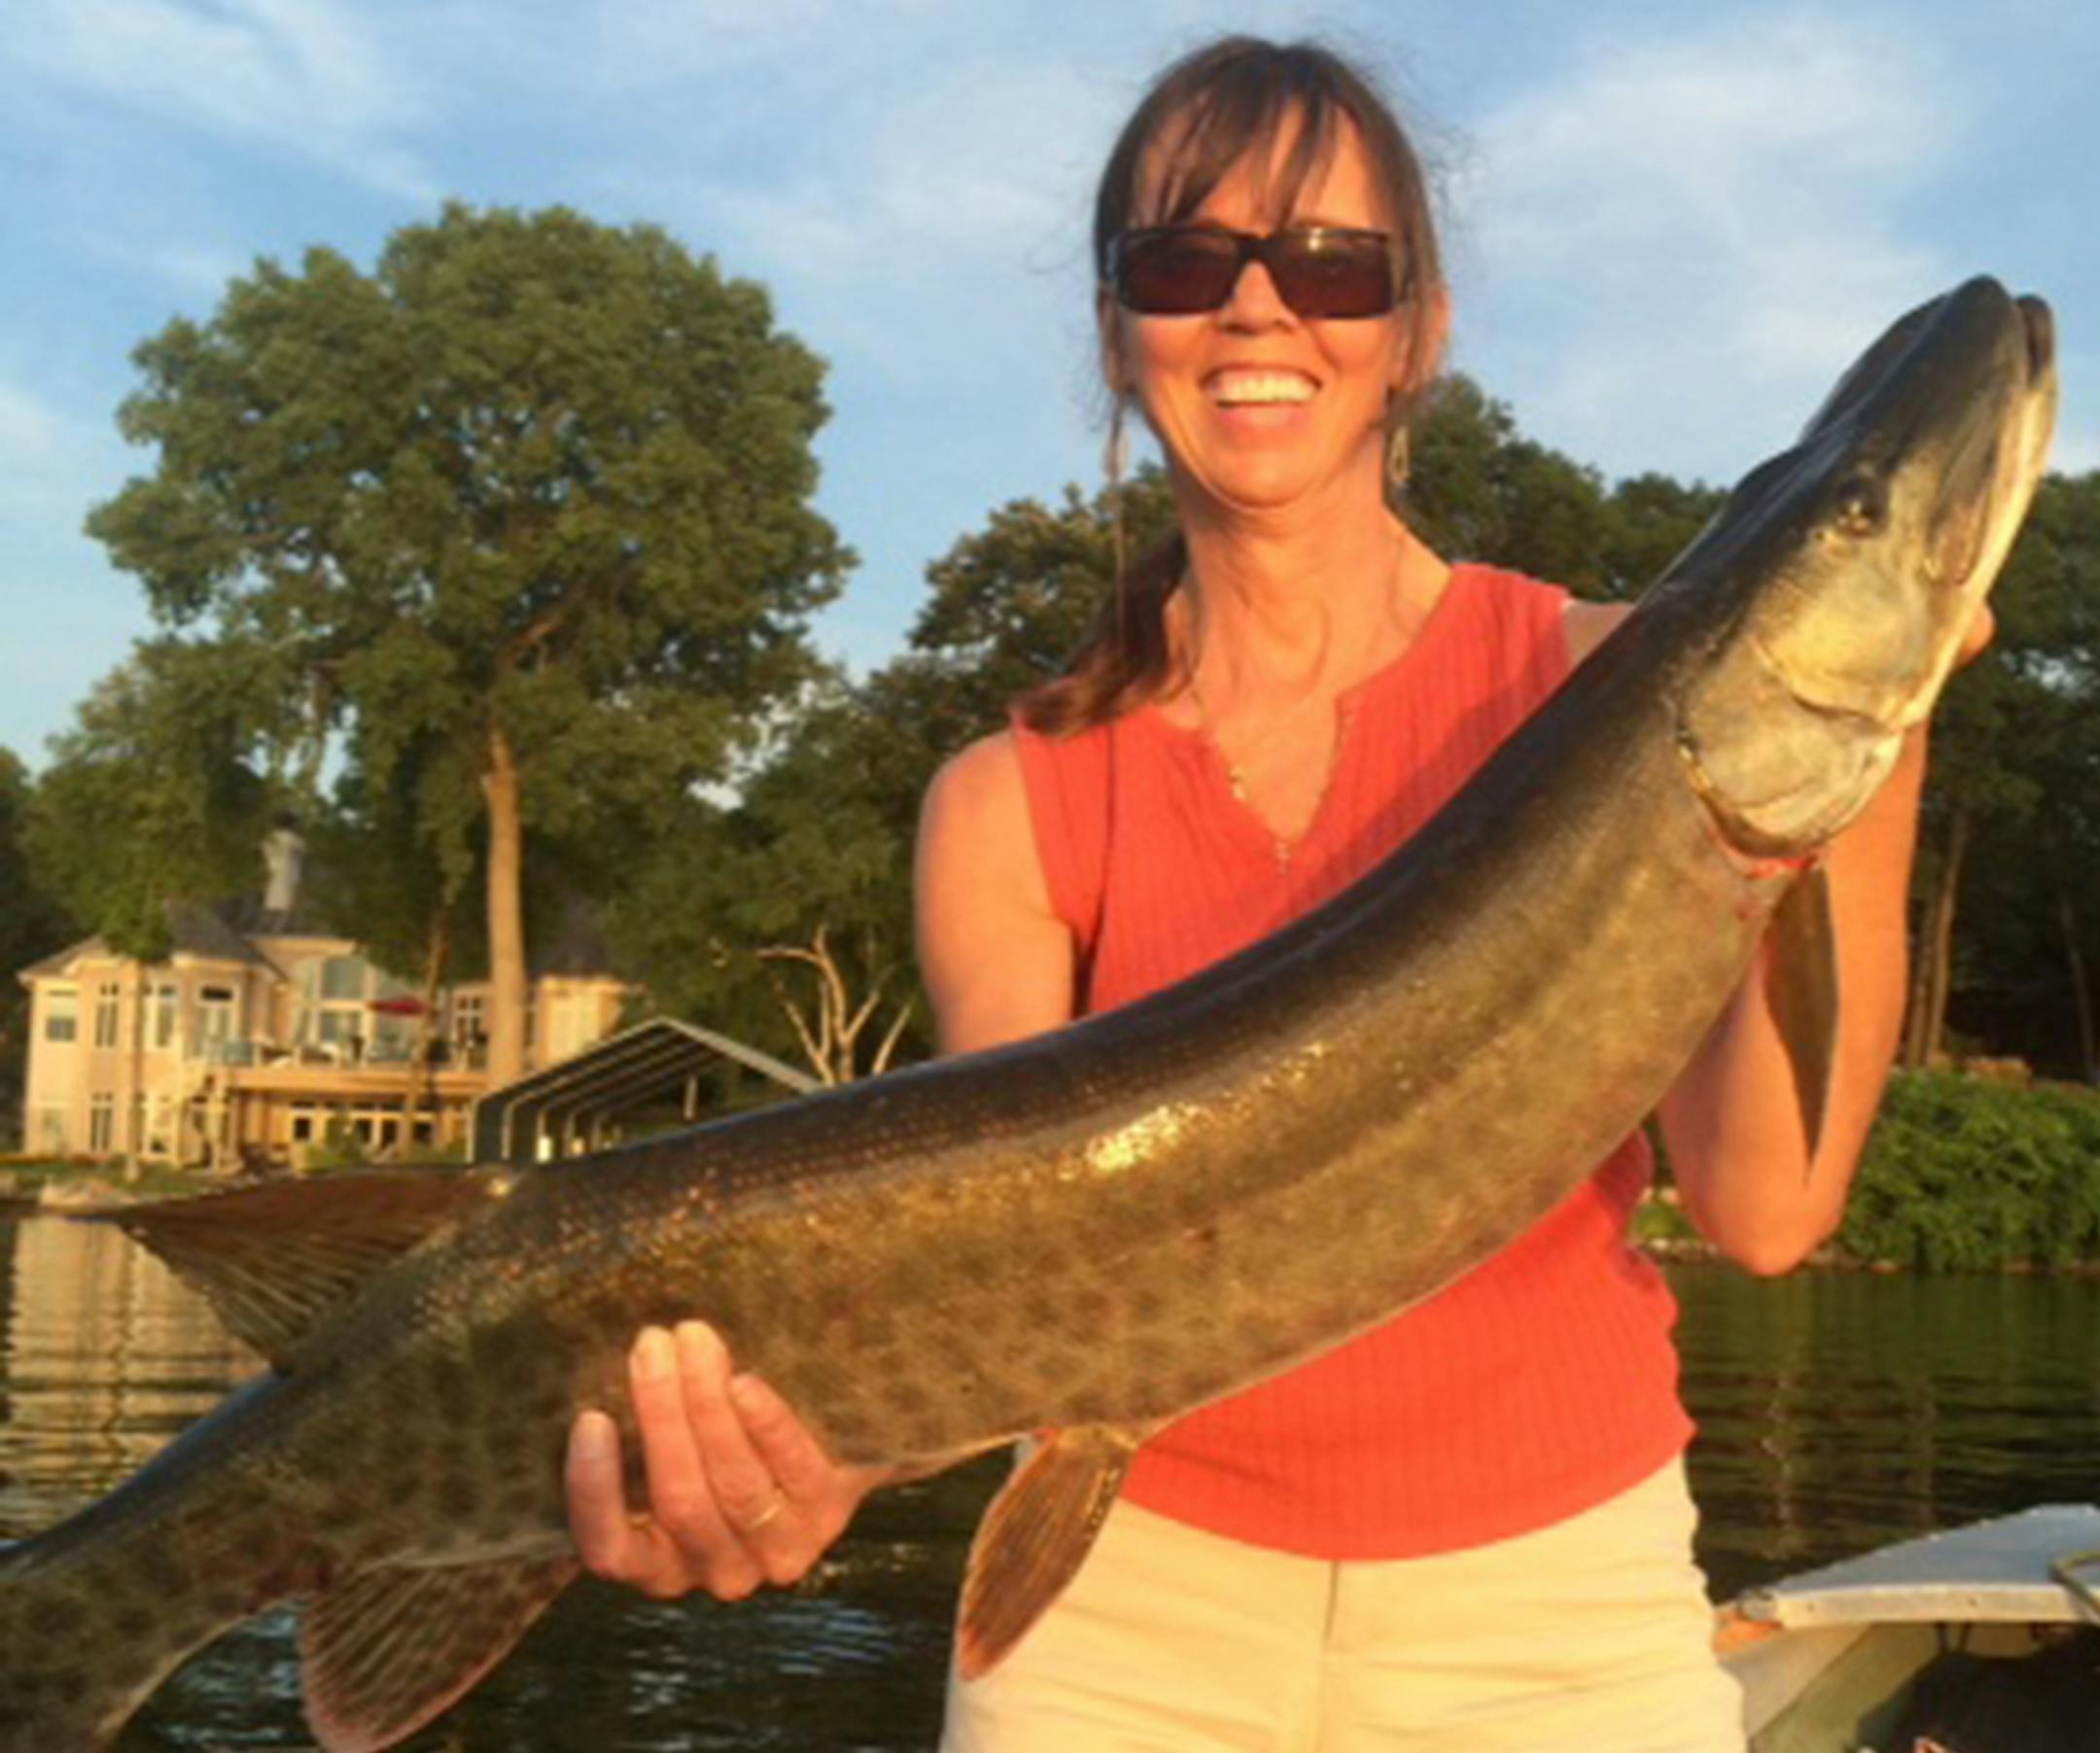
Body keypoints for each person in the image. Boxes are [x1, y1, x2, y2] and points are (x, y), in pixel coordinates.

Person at [564, 35, 1952, 1750]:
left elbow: (1767, 1205)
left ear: (1416, 332)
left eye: (1332, 265)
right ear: (1118, 329)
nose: (1255, 309)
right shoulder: (1009, 804)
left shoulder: (1598, 688)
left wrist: (1875, 736)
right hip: (1116, 1628)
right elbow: (1005, 1282)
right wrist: (788, 1465)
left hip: (1558, 1616)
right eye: (1182, 261)